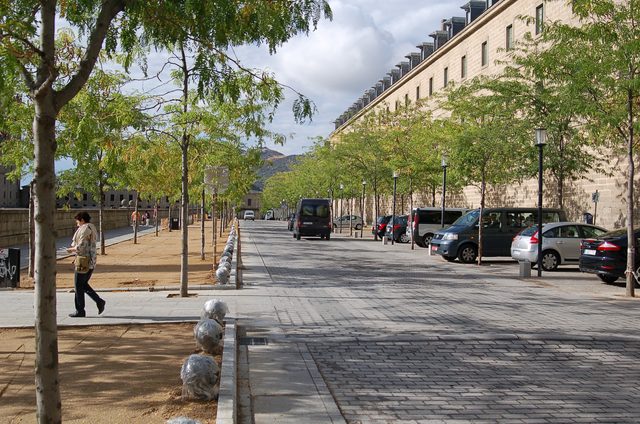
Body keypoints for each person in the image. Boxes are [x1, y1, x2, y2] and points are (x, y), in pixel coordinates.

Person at [67, 212, 105, 317]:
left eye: (77, 220)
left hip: (83, 261)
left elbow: (81, 246)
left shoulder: (85, 229)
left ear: (82, 220)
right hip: (91, 260)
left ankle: (80, 310)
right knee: (83, 284)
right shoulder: (92, 228)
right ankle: (99, 301)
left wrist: (71, 250)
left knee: (78, 285)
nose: (77, 223)